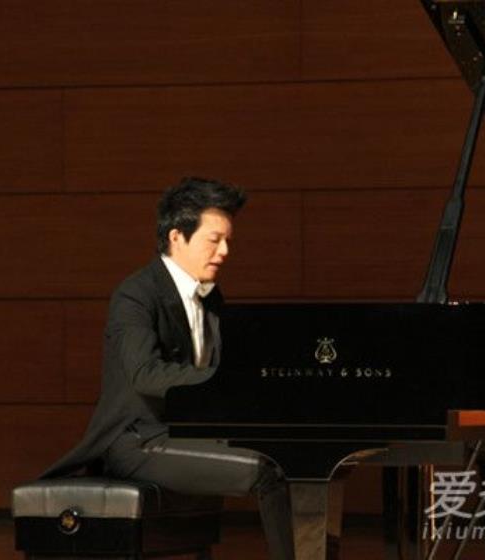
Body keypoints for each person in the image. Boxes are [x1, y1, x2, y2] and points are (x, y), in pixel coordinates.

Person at [42, 177, 295, 560]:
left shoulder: (211, 297)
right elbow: (146, 374)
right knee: (268, 469)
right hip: (136, 440)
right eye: (214, 240)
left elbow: (226, 370)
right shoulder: (136, 294)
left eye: (228, 240)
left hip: (184, 434)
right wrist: (230, 382)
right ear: (177, 237)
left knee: (289, 456)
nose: (225, 251)